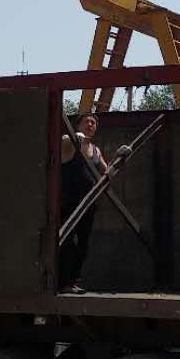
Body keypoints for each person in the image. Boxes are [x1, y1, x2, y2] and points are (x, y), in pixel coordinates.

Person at [58, 114, 107, 292]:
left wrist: (120, 157)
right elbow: (63, 145)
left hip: (88, 203)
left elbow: (106, 171)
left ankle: (72, 281)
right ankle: (62, 282)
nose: (90, 124)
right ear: (77, 125)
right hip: (68, 200)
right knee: (66, 240)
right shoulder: (69, 140)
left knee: (83, 243)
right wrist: (73, 138)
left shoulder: (96, 150)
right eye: (86, 121)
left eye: (94, 122)